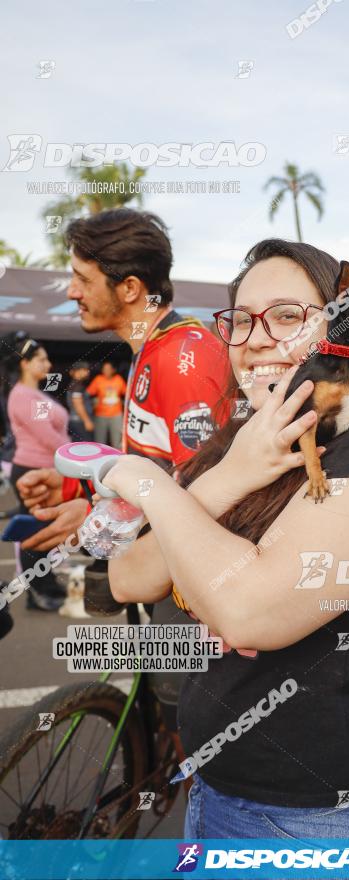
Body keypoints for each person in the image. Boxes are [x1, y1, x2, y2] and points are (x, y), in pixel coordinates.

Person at [104, 239, 349, 869]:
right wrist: (229, 476)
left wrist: (142, 482)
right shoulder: (236, 438)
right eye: (240, 320)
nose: (256, 337)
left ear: (340, 322)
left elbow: (251, 613)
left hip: (340, 819)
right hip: (218, 793)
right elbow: (129, 577)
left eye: (288, 315)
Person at [16, 208, 228, 755]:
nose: (70, 290)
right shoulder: (151, 349)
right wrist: (78, 490)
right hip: (162, 569)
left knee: (191, 734)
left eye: (83, 278)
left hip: (194, 588)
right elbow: (154, 465)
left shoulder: (183, 358)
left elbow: (207, 496)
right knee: (161, 708)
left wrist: (96, 520)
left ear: (130, 287)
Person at [4, 334, 70, 610]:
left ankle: (45, 585)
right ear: (26, 364)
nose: (48, 363)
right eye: (41, 359)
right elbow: (49, 439)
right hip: (34, 469)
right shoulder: (24, 396)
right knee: (36, 532)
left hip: (43, 468)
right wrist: (78, 456)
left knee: (43, 529)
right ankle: (38, 592)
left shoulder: (32, 394)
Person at [86, 361, 126, 448]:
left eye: (108, 369)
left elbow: (126, 393)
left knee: (117, 442)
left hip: (116, 415)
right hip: (101, 415)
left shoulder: (119, 379)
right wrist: (92, 404)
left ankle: (118, 460)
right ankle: (99, 460)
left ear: (113, 370)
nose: (106, 371)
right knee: (100, 442)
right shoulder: (98, 379)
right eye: (104, 369)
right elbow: (87, 394)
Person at [66, 361, 94, 441]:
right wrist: (87, 421)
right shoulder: (77, 386)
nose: (87, 372)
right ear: (77, 371)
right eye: (85, 370)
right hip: (79, 422)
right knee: (85, 448)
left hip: (77, 421)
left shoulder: (75, 384)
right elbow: (78, 404)